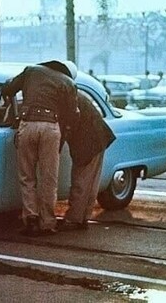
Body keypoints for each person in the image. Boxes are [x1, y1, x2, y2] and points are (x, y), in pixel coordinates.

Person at [1, 59, 79, 236]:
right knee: (49, 179)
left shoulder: (31, 71)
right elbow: (72, 116)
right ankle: (47, 223)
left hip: (27, 124)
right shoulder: (68, 83)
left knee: (27, 176)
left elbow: (9, 89)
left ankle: (31, 219)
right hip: (51, 128)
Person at [60, 91, 116, 230]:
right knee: (90, 182)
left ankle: (74, 219)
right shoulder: (72, 93)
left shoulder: (64, 98)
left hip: (88, 142)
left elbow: (66, 125)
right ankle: (83, 217)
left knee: (81, 181)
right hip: (98, 137)